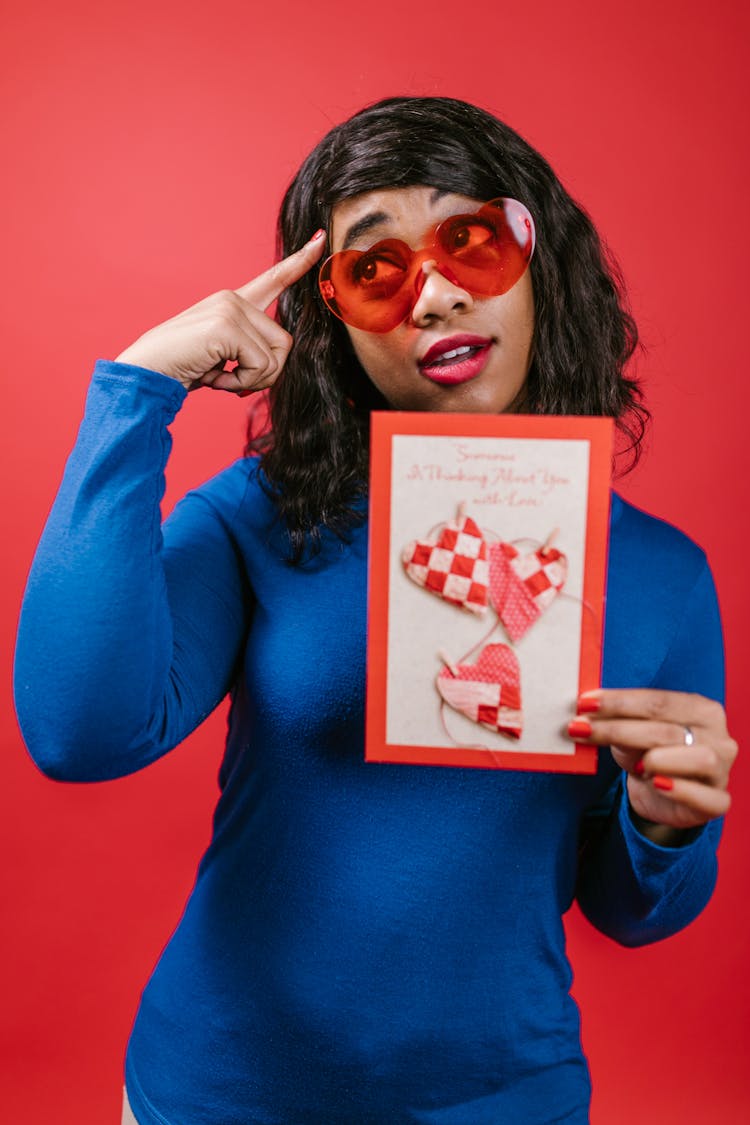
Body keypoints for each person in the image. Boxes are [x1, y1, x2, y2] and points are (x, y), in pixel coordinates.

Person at [14, 97, 737, 1125]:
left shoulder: (664, 574)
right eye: (376, 269)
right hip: (220, 1092)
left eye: (471, 241)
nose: (434, 296)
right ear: (335, 324)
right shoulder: (260, 518)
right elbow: (78, 733)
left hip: (503, 1101)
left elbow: (634, 912)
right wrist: (136, 391)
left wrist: (668, 827)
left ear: (540, 264)